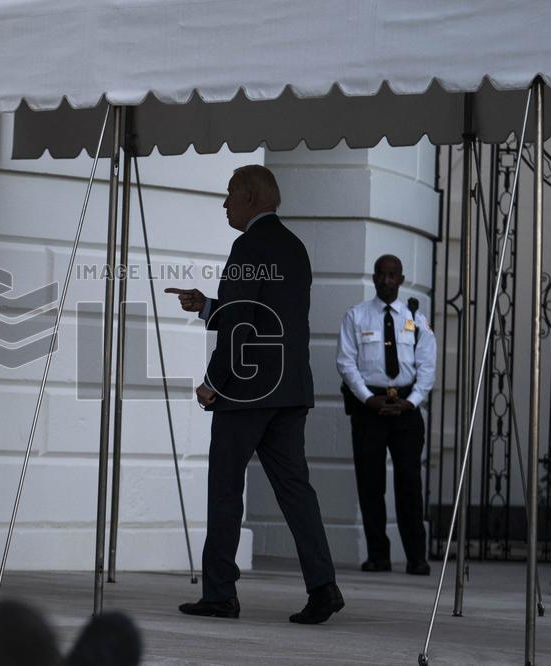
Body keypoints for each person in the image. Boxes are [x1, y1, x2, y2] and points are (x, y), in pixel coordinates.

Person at [166, 165, 343, 624]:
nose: (224, 204)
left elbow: (244, 322)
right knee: (296, 493)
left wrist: (214, 382)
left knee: (224, 489)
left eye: (229, 195)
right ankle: (323, 587)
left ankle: (220, 593)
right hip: (289, 389)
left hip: (247, 393)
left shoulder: (248, 245)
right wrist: (206, 306)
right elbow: (268, 315)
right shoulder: (295, 247)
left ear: (250, 196)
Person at [336, 254, 436, 575]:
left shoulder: (416, 319)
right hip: (370, 409)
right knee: (370, 483)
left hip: (406, 409)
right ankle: (377, 555)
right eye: (382, 275)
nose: (387, 281)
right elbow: (346, 362)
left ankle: (416, 557)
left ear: (401, 279)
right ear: (374, 278)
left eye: (393, 275)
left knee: (409, 483)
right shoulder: (357, 316)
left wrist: (413, 401)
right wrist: (367, 399)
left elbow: (427, 365)